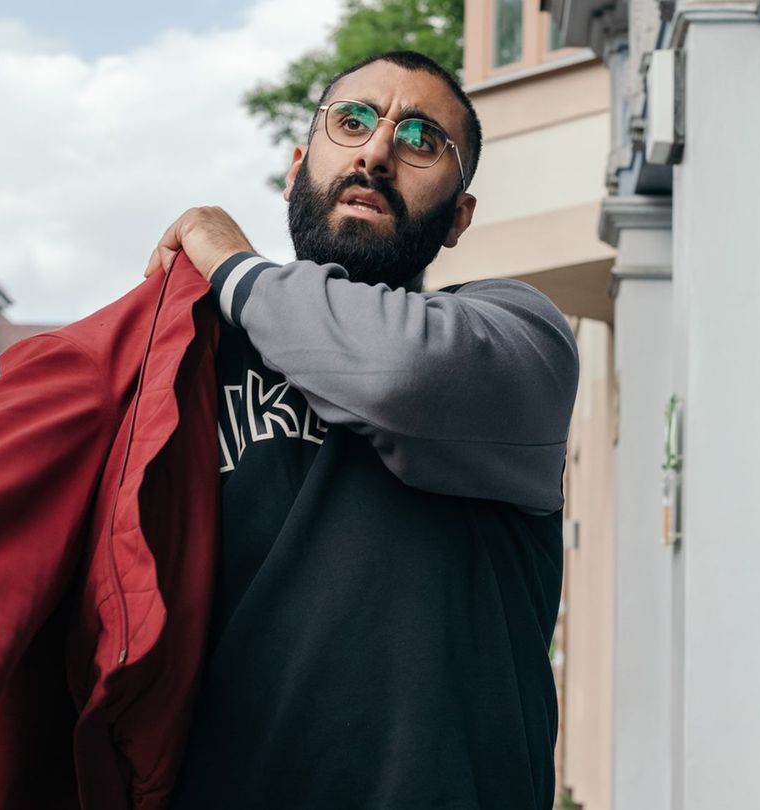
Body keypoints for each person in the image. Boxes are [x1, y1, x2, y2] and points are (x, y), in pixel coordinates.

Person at [145, 50, 578, 808]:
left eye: (419, 140)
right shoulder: (183, 358)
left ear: (459, 217)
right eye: (352, 121)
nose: (377, 151)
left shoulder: (516, 339)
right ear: (296, 166)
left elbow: (397, 372)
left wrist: (231, 263)